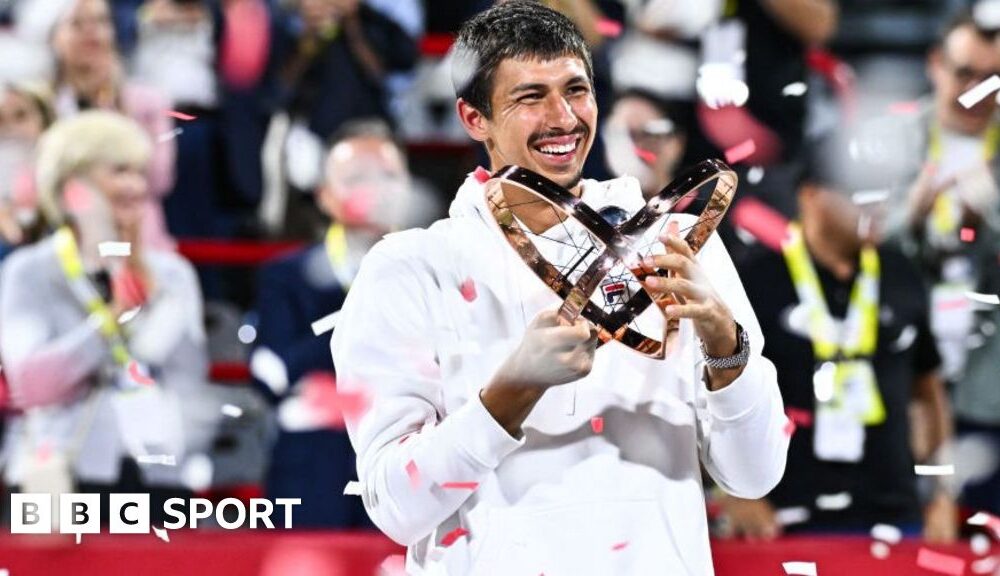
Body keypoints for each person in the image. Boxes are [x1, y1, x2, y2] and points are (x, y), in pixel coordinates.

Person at [331, 3, 788, 574]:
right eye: (530, 97)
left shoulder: (676, 240)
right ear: (475, 119)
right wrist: (511, 392)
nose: (563, 117)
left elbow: (756, 474)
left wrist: (727, 345)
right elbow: (397, 507)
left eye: (576, 90)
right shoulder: (409, 268)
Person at [723, 134, 957, 542]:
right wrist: (732, 492)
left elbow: (928, 391)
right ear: (811, 195)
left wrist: (941, 492)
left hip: (894, 515)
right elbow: (718, 391)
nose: (877, 204)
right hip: (784, 518)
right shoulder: (754, 282)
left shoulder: (901, 275)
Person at [0, 111, 210, 524]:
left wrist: (145, 291)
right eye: (118, 171)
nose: (134, 186)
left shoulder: (172, 274)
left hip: (158, 473)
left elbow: (189, 377)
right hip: (59, 474)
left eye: (138, 172)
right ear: (70, 187)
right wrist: (112, 318)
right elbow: (34, 384)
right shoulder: (30, 271)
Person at [252, 118, 412, 528]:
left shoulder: (438, 272)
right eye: (356, 177)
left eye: (388, 176)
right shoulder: (286, 275)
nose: (374, 190)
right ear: (324, 196)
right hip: (315, 474)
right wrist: (361, 308)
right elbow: (276, 374)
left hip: (411, 473)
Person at [880, 11, 1000, 517]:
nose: (975, 93)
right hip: (899, 377)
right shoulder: (887, 137)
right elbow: (840, 238)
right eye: (964, 74)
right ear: (935, 64)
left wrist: (989, 222)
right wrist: (910, 216)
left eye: (992, 81)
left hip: (987, 385)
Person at [49, 0, 176, 250]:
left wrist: (111, 111)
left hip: (136, 243)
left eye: (101, 21)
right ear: (54, 37)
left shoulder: (148, 101)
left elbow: (160, 178)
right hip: (64, 244)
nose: (91, 30)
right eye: (77, 23)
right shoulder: (41, 105)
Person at [0, 81, 54, 257]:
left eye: (21, 116)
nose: (10, 128)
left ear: (44, 122)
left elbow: (115, 248)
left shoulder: (69, 183)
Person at [603, 89, 687, 199]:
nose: (638, 146)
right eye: (626, 135)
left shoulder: (704, 205)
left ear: (677, 143)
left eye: (650, 134)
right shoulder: (592, 207)